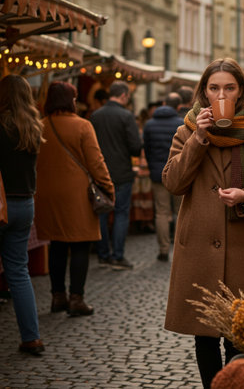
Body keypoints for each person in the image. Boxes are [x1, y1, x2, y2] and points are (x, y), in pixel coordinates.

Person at [162, 58, 244, 388]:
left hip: (243, 249)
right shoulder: (186, 131)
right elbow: (173, 183)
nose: (221, 94)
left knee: (238, 336)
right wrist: (199, 138)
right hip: (199, 252)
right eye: (214, 87)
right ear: (204, 92)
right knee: (204, 338)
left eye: (228, 88)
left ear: (241, 91)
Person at [34, 81, 114, 316]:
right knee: (80, 243)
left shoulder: (40, 126)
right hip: (77, 195)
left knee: (57, 243)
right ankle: (76, 299)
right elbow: (96, 162)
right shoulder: (82, 126)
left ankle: (57, 297)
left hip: (47, 194)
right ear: (70, 100)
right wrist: (108, 188)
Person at [0, 74, 45, 355]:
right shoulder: (33, 126)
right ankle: (32, 337)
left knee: (17, 271)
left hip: (2, 204)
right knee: (18, 272)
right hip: (25, 204)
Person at [90, 81, 142, 270]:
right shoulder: (127, 116)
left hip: (100, 173)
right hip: (122, 173)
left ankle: (103, 255)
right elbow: (135, 147)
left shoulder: (95, 116)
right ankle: (118, 256)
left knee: (102, 214)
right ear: (123, 96)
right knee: (120, 214)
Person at [143, 92, 183, 262]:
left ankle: (163, 250)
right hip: (179, 174)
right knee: (180, 212)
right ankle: (182, 249)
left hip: (158, 174)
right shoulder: (181, 124)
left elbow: (147, 149)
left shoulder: (149, 124)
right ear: (179, 106)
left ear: (164, 103)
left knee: (161, 212)